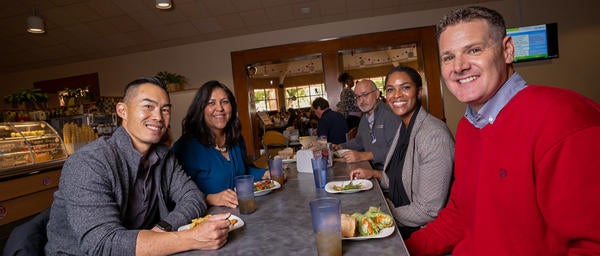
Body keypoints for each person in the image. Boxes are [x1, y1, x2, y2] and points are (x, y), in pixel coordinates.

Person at [405, 6, 600, 255]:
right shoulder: (469, 126)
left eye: (474, 50)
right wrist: (398, 251)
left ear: (507, 50)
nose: (459, 66)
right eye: (448, 57)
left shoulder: (563, 119)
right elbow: (461, 215)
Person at [46, 77, 231, 255]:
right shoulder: (88, 163)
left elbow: (193, 198)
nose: (158, 117)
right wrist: (190, 238)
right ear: (122, 110)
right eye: (148, 106)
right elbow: (103, 244)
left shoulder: (165, 156)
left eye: (165, 110)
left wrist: (161, 230)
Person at [349, 66, 454, 239]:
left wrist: (381, 212)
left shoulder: (434, 135)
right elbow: (403, 179)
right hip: (402, 213)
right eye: (391, 89)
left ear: (419, 91)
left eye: (405, 87)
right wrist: (374, 174)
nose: (396, 95)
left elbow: (428, 210)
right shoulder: (405, 126)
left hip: (424, 231)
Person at [172, 80, 268, 209]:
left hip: (240, 213)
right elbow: (173, 196)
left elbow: (241, 172)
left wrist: (263, 174)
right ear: (200, 108)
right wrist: (210, 198)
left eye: (225, 102)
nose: (220, 108)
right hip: (205, 221)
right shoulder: (186, 147)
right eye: (211, 103)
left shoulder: (237, 139)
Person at [333, 79, 401, 170]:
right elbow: (359, 141)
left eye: (365, 95)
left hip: (390, 173)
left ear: (377, 94)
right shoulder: (364, 118)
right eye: (357, 97)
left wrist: (363, 156)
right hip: (371, 168)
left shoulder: (390, 115)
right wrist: (341, 146)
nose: (361, 101)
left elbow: (397, 150)